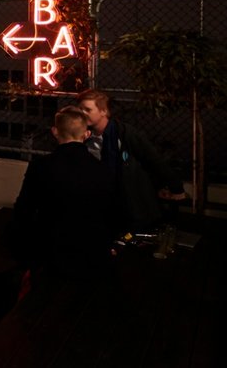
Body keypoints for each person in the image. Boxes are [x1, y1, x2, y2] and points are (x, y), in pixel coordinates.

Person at [10, 105, 118, 284]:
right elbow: (111, 212)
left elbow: (24, 210)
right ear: (87, 134)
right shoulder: (102, 169)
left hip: (51, 250)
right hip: (91, 252)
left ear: (55, 131)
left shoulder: (41, 166)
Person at [76, 89, 186, 233]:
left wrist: (175, 186)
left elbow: (152, 158)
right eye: (81, 109)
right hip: (104, 202)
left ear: (103, 111)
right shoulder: (85, 136)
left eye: (88, 109)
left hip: (129, 203)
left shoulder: (125, 133)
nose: (83, 113)